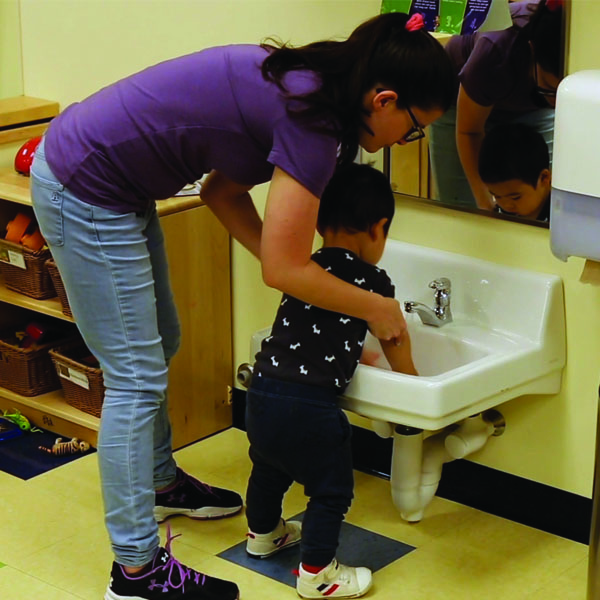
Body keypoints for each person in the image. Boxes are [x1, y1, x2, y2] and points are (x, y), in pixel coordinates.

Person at [29, 11, 453, 600]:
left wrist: (297, 272)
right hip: (86, 184)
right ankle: (135, 573)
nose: (405, 142)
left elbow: (220, 192)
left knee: (162, 342)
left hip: (118, 186)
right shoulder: (317, 123)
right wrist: (371, 307)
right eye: (412, 130)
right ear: (383, 100)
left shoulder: (309, 85)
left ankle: (159, 483)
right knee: (135, 378)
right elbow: (283, 265)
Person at [244, 163, 418, 599]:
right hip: (311, 408)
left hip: (263, 390)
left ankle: (262, 535)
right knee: (331, 490)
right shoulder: (374, 284)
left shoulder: (303, 268)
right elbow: (392, 332)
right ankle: (317, 574)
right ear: (379, 228)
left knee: (268, 468)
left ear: (318, 222)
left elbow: (314, 328)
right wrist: (413, 383)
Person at [429, 0, 563, 210]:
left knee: (543, 199)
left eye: (562, 94)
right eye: (549, 89)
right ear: (532, 51)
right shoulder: (497, 48)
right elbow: (469, 132)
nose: (557, 103)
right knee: (463, 206)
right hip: (462, 102)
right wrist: (485, 201)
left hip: (532, 106)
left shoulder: (576, 42)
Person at [479, 123, 551, 221]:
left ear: (544, 178)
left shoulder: (562, 216)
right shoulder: (502, 212)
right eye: (497, 196)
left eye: (516, 197)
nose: (506, 205)